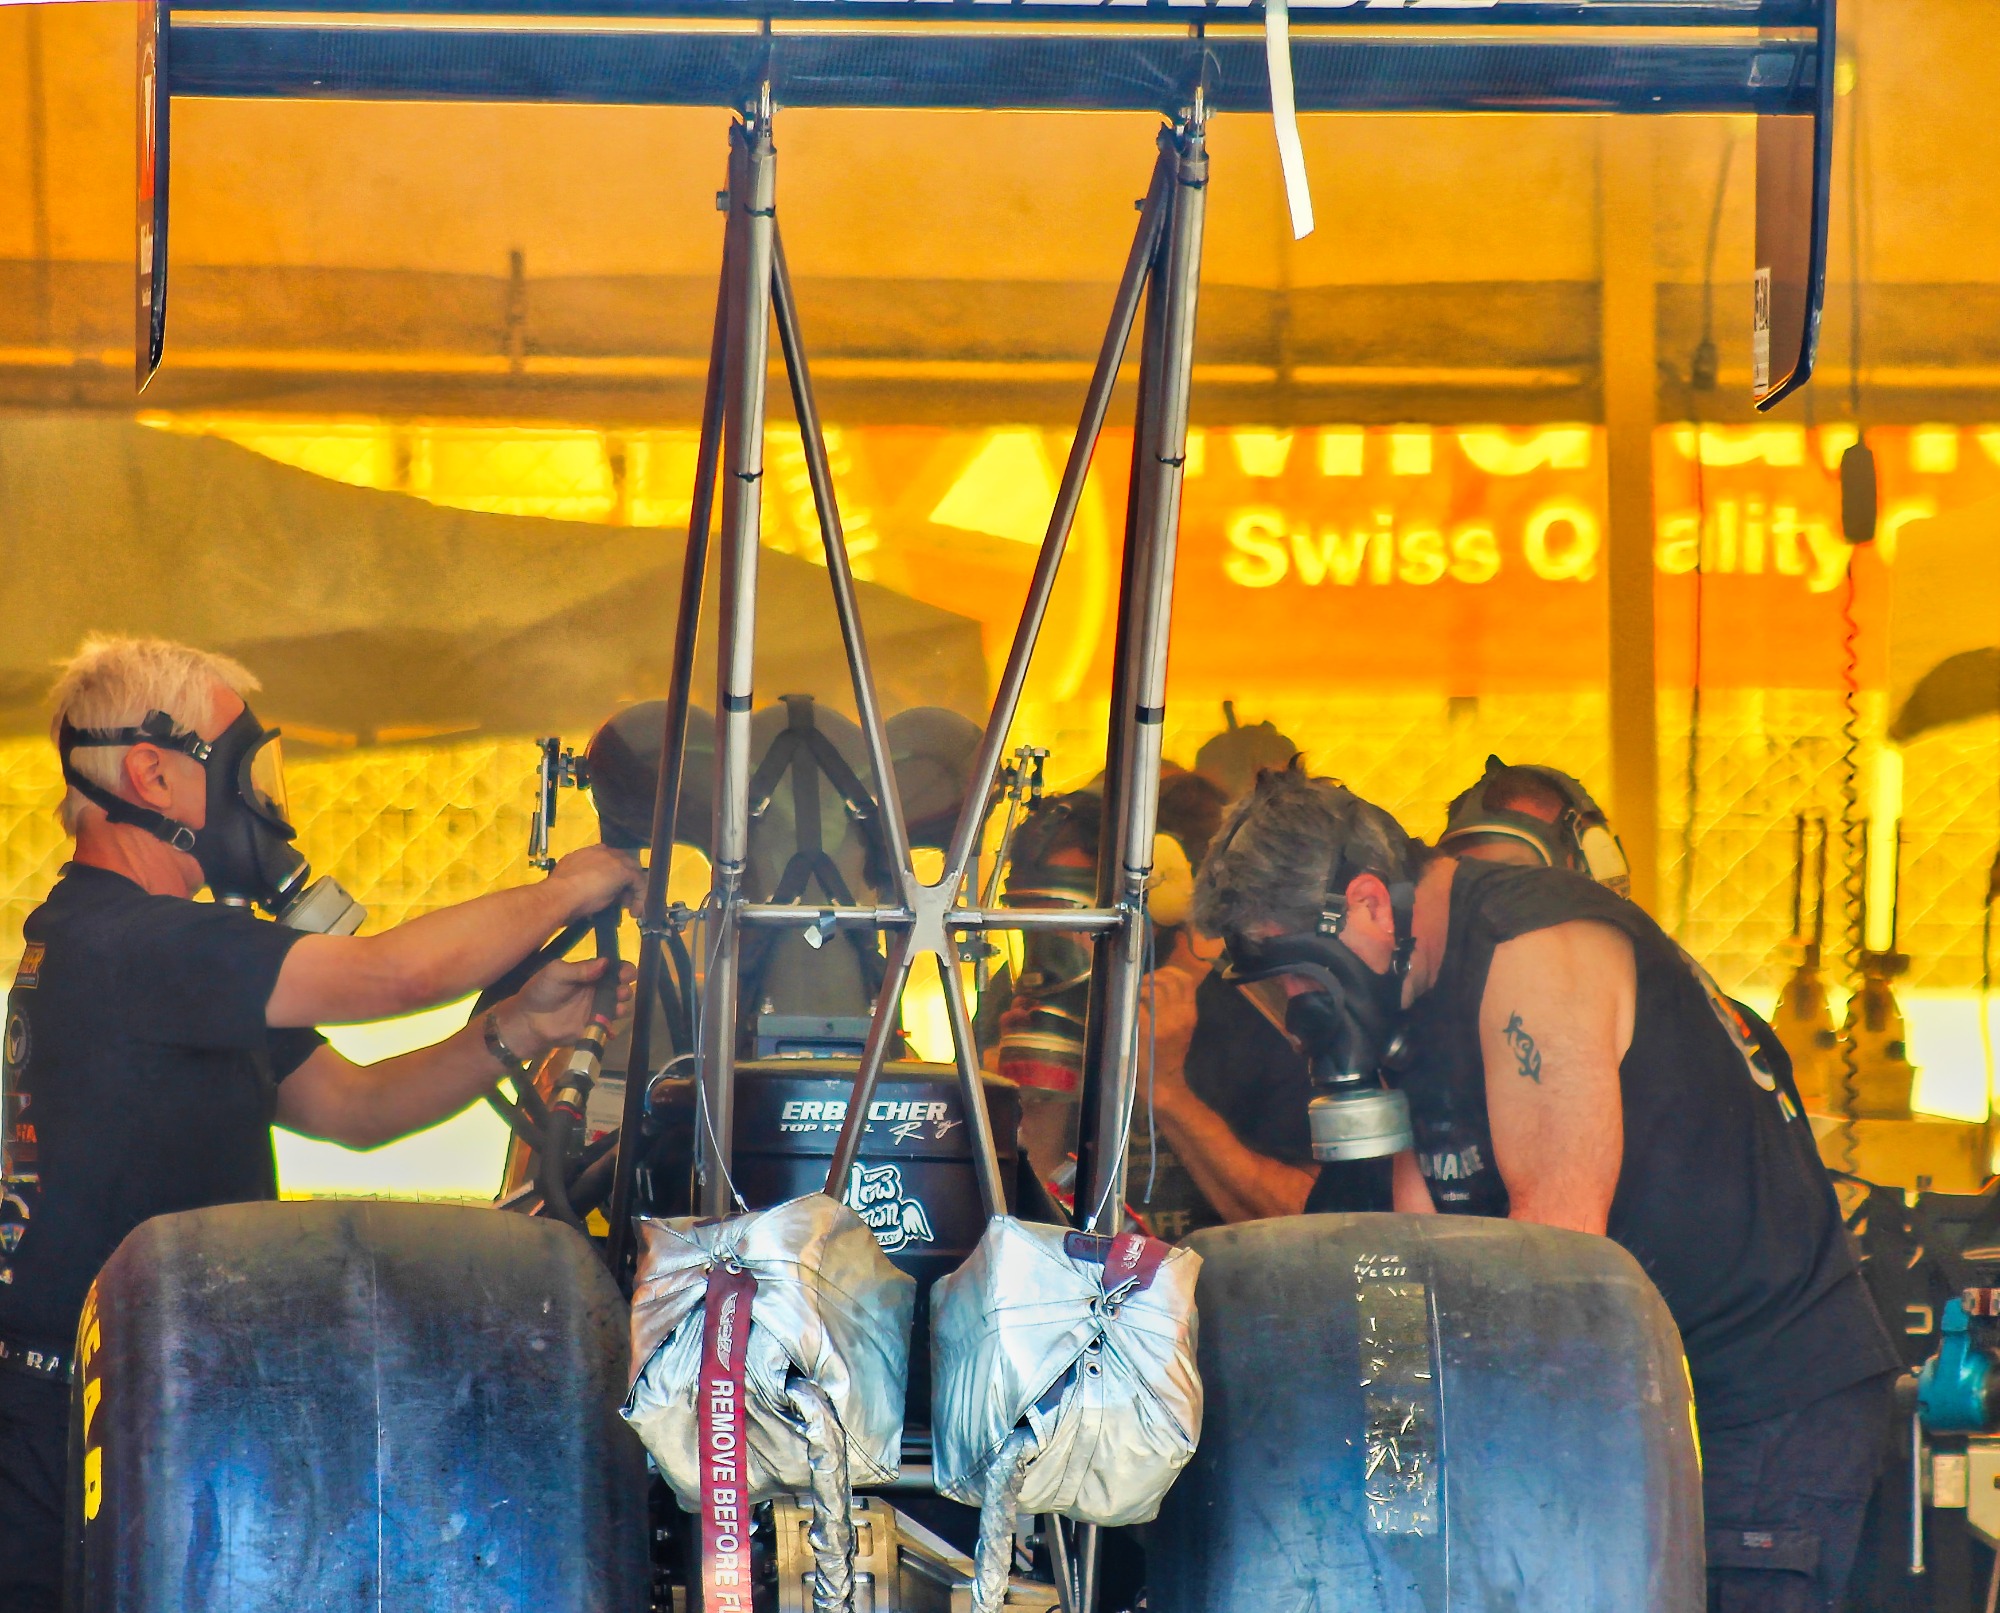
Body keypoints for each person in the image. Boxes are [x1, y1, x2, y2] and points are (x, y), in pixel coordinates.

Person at [0, 637, 642, 1613]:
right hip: (77, 1413)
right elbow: (392, 975)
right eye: (241, 763)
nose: (263, 798)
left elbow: (357, 1107)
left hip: (118, 1393)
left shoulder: (155, 953)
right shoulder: (135, 942)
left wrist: (522, 1025)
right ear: (152, 774)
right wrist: (568, 889)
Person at [1192, 766, 1903, 1613]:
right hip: (1636, 1393)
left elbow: (1555, 1274)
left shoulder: (1534, 948)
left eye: (1299, 975)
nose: (1298, 1006)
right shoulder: (1410, 991)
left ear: (1370, 903)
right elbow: (1412, 1263)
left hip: (1754, 1393)